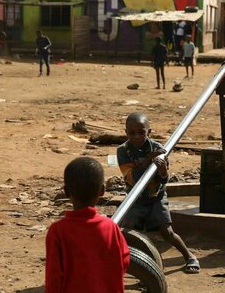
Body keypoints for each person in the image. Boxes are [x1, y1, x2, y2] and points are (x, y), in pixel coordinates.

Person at [117, 112, 199, 274]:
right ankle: (120, 260)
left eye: (142, 132)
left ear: (149, 132)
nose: (137, 136)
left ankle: (190, 256)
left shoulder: (158, 149)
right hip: (136, 198)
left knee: (167, 231)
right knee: (126, 229)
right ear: (126, 133)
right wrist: (148, 160)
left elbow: (163, 179)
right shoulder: (123, 151)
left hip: (156, 197)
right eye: (132, 133)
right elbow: (132, 178)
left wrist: (161, 168)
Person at [45, 157, 130, 293]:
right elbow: (124, 260)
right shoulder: (110, 227)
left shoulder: (58, 231)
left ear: (66, 192)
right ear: (102, 191)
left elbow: (54, 276)